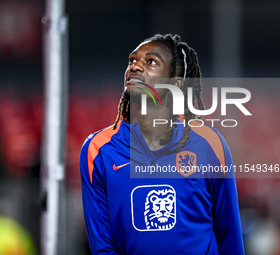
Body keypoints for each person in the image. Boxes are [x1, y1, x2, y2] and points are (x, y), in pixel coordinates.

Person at [80, 34, 245, 254]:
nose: (135, 67)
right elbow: (103, 247)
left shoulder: (208, 144)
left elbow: (229, 239)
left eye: (151, 62)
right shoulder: (98, 151)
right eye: (132, 60)